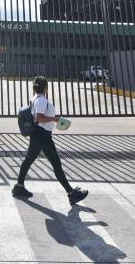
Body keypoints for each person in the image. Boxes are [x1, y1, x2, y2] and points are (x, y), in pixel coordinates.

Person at [13, 75, 88, 205]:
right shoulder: (41, 100)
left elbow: (38, 118)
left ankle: (19, 187)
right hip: (43, 136)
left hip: (37, 135)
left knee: (28, 160)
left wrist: (53, 119)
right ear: (46, 88)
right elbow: (40, 118)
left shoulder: (34, 99)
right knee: (56, 164)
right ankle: (71, 193)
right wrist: (55, 119)